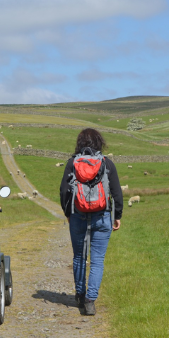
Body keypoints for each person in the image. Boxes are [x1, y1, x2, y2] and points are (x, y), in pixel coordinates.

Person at [59, 128, 123, 316]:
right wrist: (117, 215)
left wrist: (67, 212)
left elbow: (63, 190)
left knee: (79, 257)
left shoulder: (73, 163)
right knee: (97, 260)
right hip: (102, 216)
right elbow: (117, 193)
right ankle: (90, 301)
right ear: (99, 142)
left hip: (77, 215)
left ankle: (79, 294)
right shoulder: (107, 164)